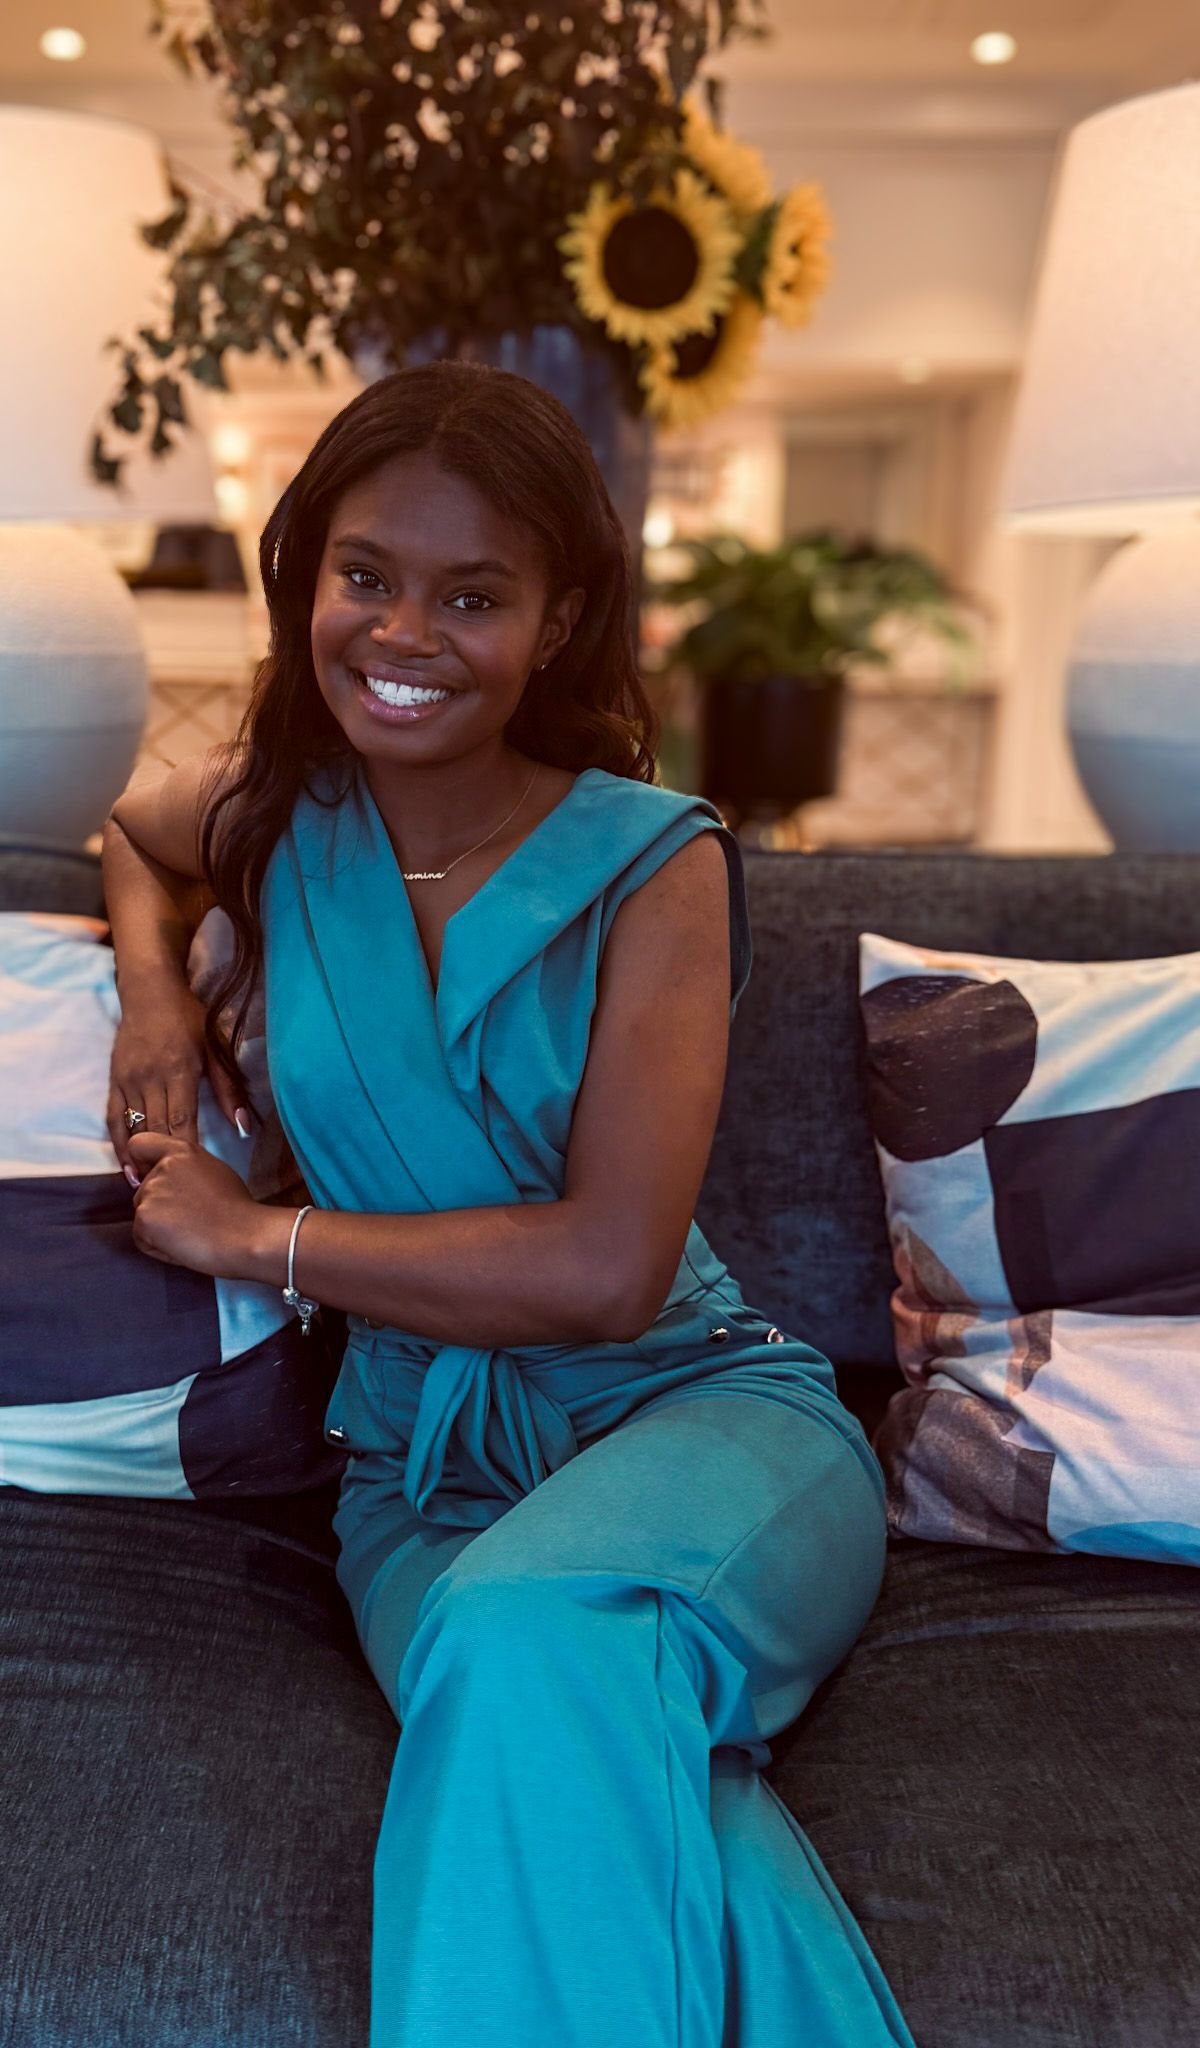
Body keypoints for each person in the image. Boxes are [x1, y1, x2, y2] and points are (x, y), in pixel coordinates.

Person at [99, 360, 917, 2048]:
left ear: (553, 625)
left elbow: (612, 1269)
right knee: (626, 1774)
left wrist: (258, 1238)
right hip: (416, 1478)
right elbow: (129, 828)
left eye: (473, 596)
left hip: (699, 1423)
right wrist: (157, 1003)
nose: (403, 634)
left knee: (537, 1626)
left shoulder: (654, 859)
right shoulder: (278, 817)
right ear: (303, 578)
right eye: (367, 577)